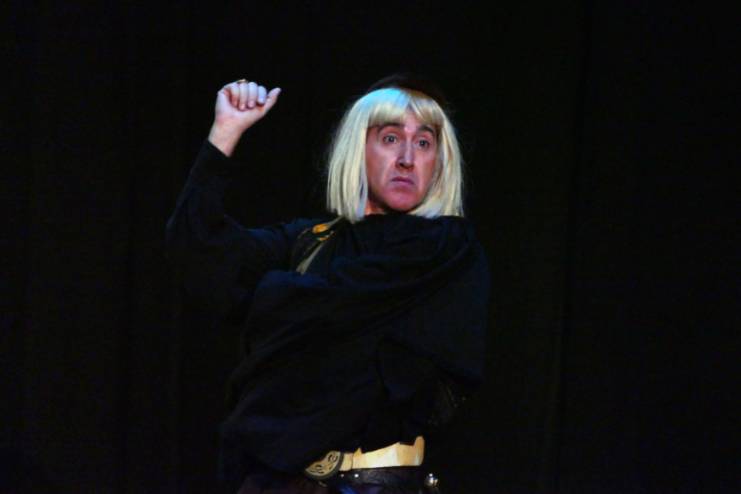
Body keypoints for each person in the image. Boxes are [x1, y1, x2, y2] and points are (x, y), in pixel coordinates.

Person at [166, 76, 489, 494]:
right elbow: (200, 255)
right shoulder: (311, 243)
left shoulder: (445, 249)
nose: (407, 158)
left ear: (440, 163)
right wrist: (224, 132)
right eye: (390, 139)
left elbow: (332, 315)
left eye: (424, 143)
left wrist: (273, 304)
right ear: (359, 149)